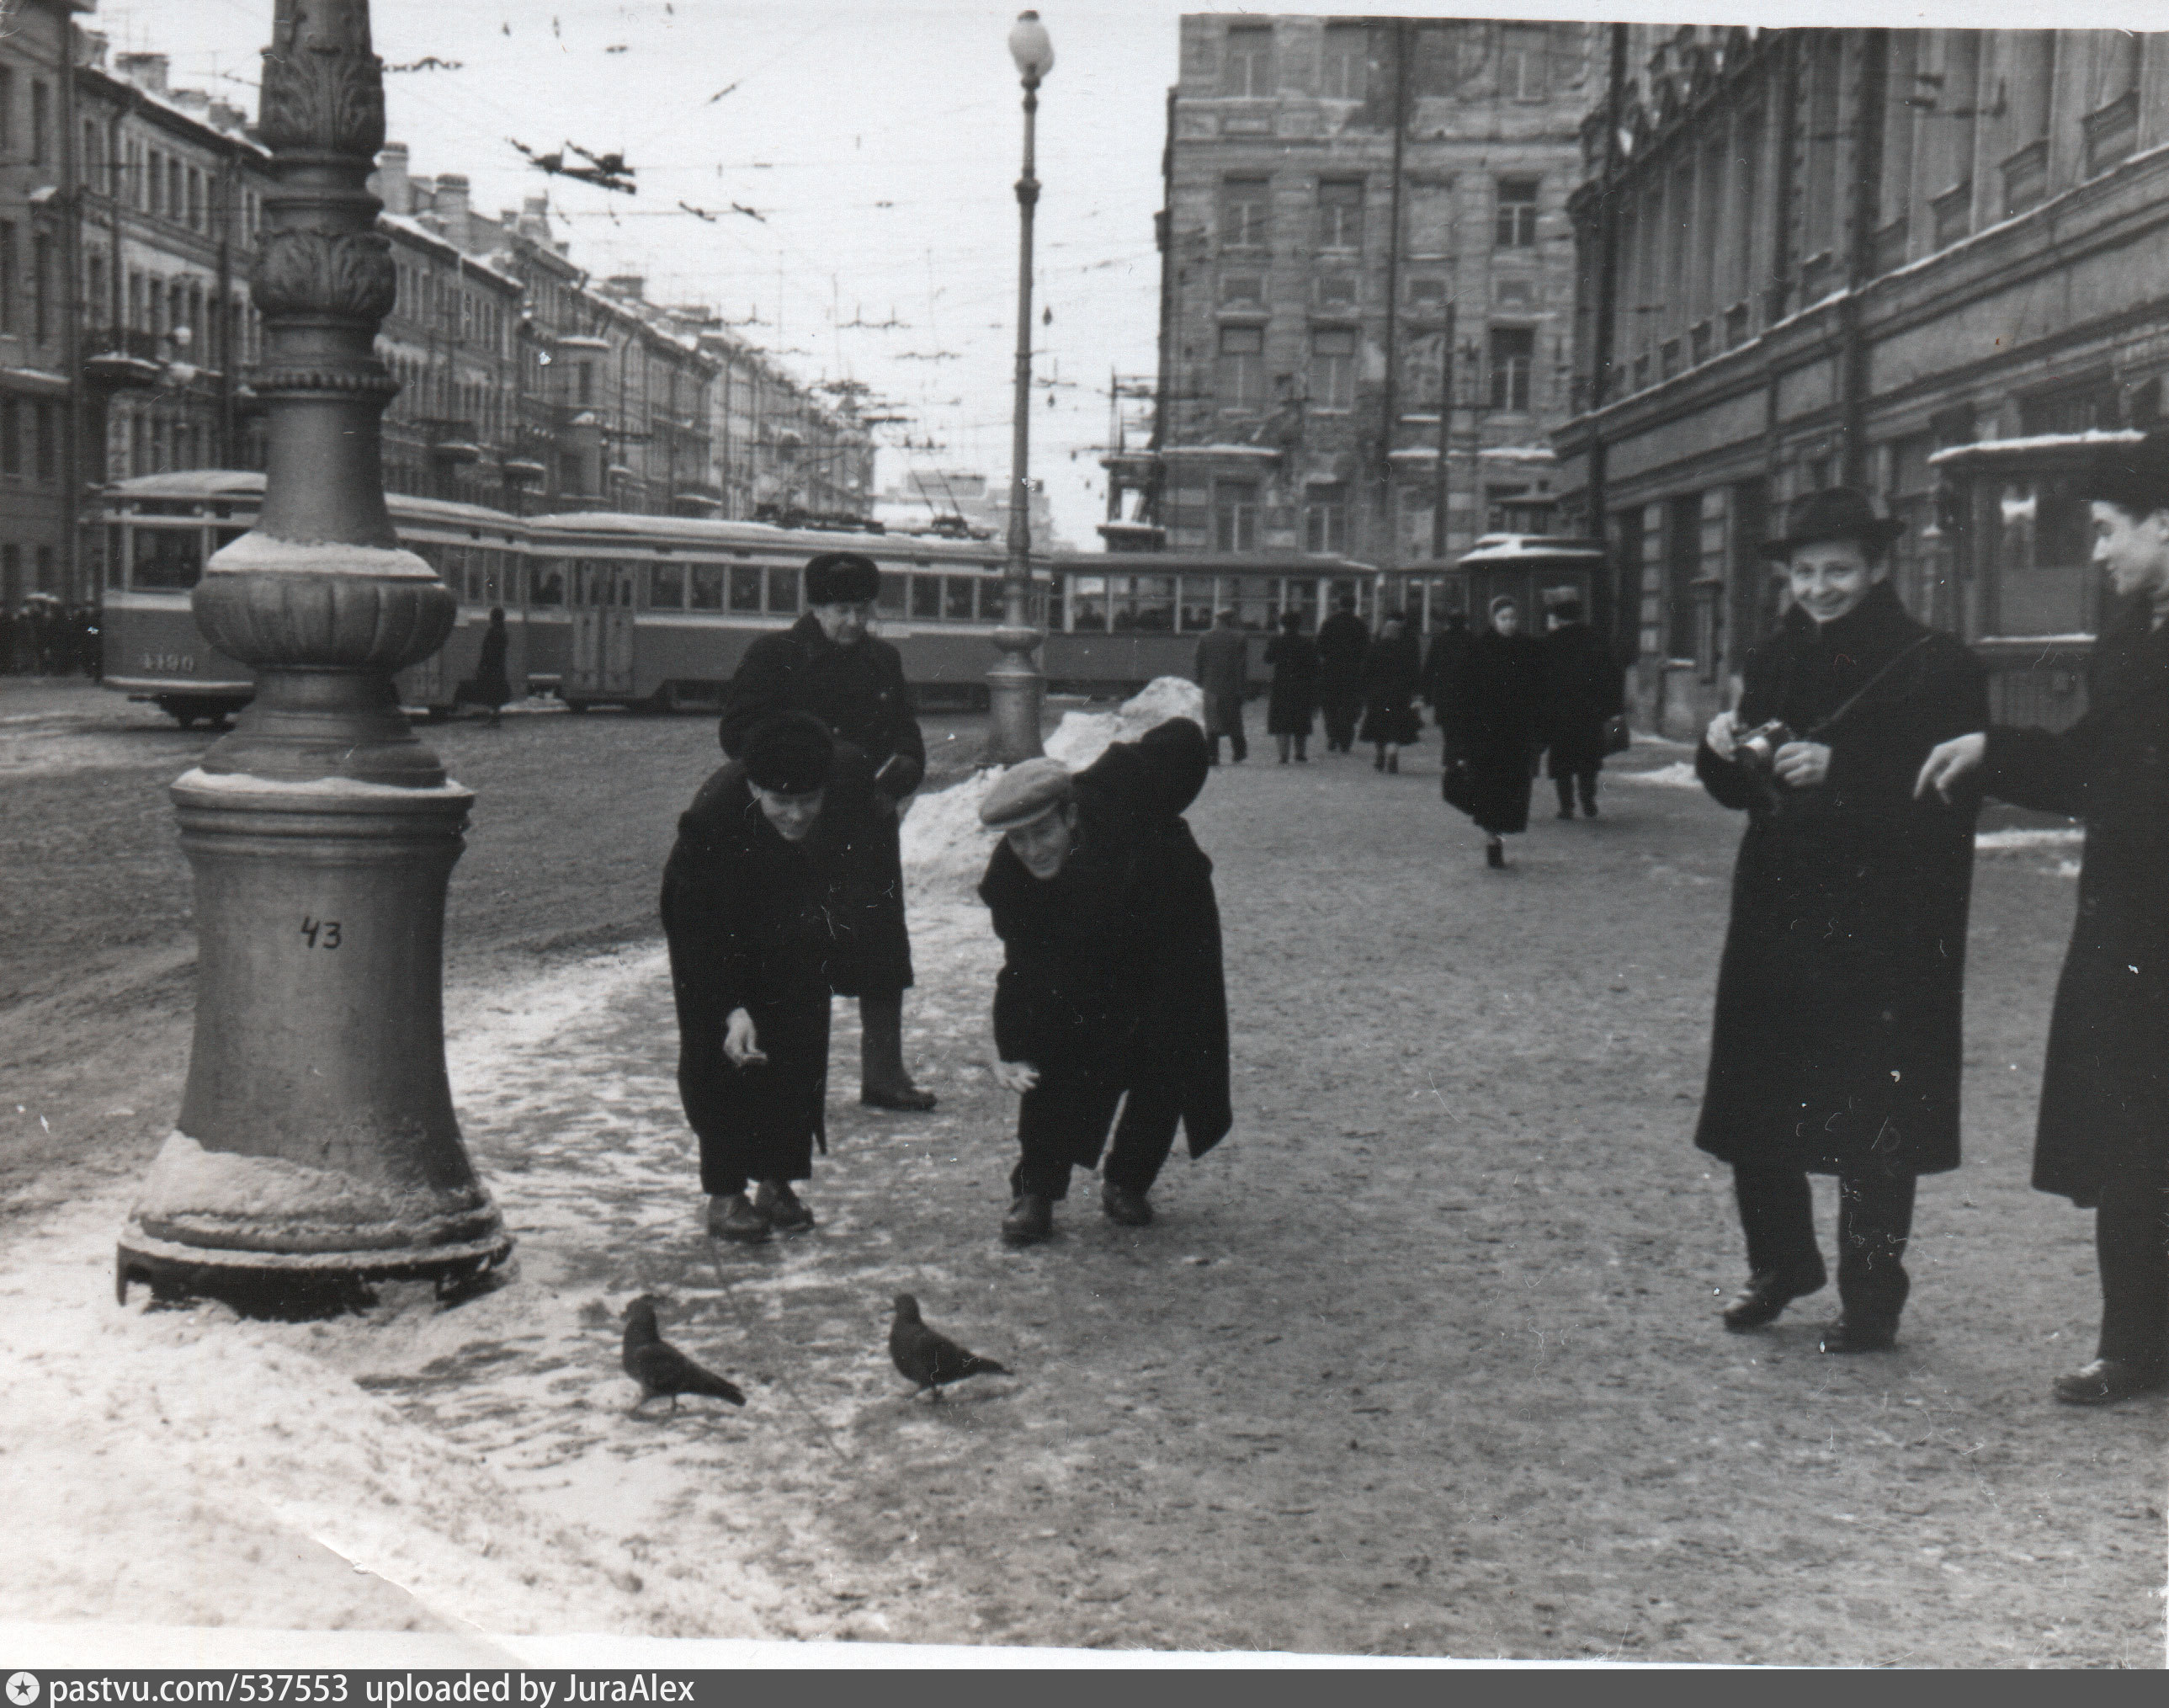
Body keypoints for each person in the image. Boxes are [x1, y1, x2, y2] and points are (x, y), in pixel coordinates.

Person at [1698, 487, 1986, 1354]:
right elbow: (1744, 792)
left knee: (1874, 1108)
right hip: (1779, 904)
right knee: (1758, 1094)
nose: (1820, 588)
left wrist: (1844, 766)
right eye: (1806, 572)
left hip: (1883, 918)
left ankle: (1872, 1295)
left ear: (1879, 568)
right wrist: (1720, 755)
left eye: (1839, 571)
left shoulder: (1936, 662)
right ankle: (1783, 1262)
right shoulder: (1773, 656)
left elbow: (1955, 793)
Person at [1916, 431, 2169, 1404]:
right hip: (2133, 922)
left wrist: (2000, 751)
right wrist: (1996, 752)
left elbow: (2118, 773)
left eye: (2109, 531)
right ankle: (2133, 1344)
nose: (2099, 552)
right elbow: (2100, 762)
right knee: (2131, 1134)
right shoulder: (2132, 629)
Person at [976, 720, 1231, 1245]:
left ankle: (1129, 1181)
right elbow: (1022, 968)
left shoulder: (1146, 844)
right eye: (1016, 838)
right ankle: (1036, 1191)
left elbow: (1181, 744)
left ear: (1071, 816)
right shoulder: (1012, 878)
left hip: (1161, 949)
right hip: (1083, 958)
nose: (1031, 850)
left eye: (1041, 832)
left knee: (1166, 1059)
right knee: (1055, 1049)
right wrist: (1014, 1046)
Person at [720, 551, 935, 1111]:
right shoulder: (775, 656)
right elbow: (737, 733)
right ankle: (782, 1074)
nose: (854, 623)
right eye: (842, 610)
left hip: (868, 828)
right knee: (792, 955)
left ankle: (884, 1075)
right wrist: (809, 760)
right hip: (799, 831)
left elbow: (906, 733)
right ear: (814, 606)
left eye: (863, 610)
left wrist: (906, 769)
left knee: (882, 956)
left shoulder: (882, 660)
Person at [662, 710, 864, 1244]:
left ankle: (777, 1182)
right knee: (725, 1059)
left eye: (808, 801)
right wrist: (730, 1006)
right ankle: (725, 1193)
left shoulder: (834, 800)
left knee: (798, 1047)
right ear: (754, 788)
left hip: (790, 938)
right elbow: (698, 930)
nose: (797, 815)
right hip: (712, 941)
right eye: (782, 802)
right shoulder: (712, 826)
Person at [1443, 595, 1547, 867]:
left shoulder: (1529, 649)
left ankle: (1498, 835)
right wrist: (1462, 737)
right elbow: (1463, 694)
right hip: (1486, 734)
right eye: (1504, 618)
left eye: (1513, 618)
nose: (1509, 624)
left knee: (1512, 790)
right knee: (1489, 790)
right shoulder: (1478, 650)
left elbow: (1539, 691)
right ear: (1494, 620)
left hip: (1517, 733)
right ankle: (1493, 839)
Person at [1541, 598, 1625, 819]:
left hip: (1560, 713)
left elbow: (1541, 681)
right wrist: (1612, 709)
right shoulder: (1594, 639)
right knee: (1587, 759)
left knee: (1562, 762)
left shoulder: (1551, 642)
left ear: (1558, 618)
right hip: (1589, 712)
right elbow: (1611, 675)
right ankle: (1588, 800)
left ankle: (1566, 806)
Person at [1358, 610, 1422, 772]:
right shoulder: (1405, 650)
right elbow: (1413, 672)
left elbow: (1366, 672)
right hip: (1399, 694)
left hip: (1378, 694)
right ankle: (1393, 754)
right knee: (1395, 727)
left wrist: (1365, 691)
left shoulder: (1375, 648)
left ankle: (1380, 756)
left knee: (1379, 726)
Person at [1193, 608, 1249, 764]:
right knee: (1234, 720)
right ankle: (1239, 752)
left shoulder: (1204, 637)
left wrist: (1199, 680)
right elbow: (1242, 666)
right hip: (1231, 685)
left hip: (1210, 685)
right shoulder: (1240, 637)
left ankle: (1213, 755)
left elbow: (1199, 661)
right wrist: (1242, 687)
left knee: (1212, 721)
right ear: (1231, 620)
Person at [1263, 609, 1319, 764]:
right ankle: (1300, 753)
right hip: (1301, 684)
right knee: (1300, 719)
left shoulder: (1276, 641)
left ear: (1283, 624)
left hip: (1281, 684)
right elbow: (1314, 665)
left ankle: (1283, 754)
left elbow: (1268, 659)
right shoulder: (1306, 642)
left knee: (1281, 721)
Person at [1316, 593, 1369, 754]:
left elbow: (1320, 647)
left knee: (1330, 705)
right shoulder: (1360, 625)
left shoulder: (1329, 623)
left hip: (1331, 670)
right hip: (1352, 672)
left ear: (1339, 604)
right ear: (1354, 606)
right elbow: (1366, 649)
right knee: (1349, 705)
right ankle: (1346, 738)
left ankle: (1332, 735)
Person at [456, 606, 513, 726]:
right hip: (499, 668)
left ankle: (493, 719)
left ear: (493, 618)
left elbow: (487, 651)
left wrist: (482, 666)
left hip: (490, 668)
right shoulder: (503, 632)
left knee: (490, 693)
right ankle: (495, 717)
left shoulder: (492, 632)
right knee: (496, 695)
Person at [1421, 609, 1473, 726]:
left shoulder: (1440, 640)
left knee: (1449, 730)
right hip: (1465, 693)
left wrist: (1427, 695)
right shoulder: (1471, 640)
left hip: (1445, 693)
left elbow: (1430, 668)